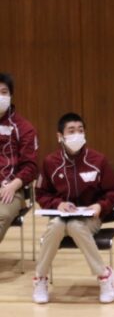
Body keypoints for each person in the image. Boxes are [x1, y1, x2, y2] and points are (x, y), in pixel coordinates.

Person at [32, 113, 114, 304]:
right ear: (60, 136)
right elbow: (41, 194)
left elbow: (113, 189)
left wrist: (100, 205)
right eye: (71, 131)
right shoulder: (50, 162)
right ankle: (40, 278)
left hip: (90, 218)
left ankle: (104, 277)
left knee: (75, 226)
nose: (77, 135)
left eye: (80, 131)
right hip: (60, 217)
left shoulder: (98, 160)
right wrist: (58, 204)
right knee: (57, 225)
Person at [0, 73, 38, 245]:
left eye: (4, 92)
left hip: (11, 189)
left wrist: (13, 185)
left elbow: (30, 167)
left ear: (10, 96)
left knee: (3, 215)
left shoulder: (24, 128)